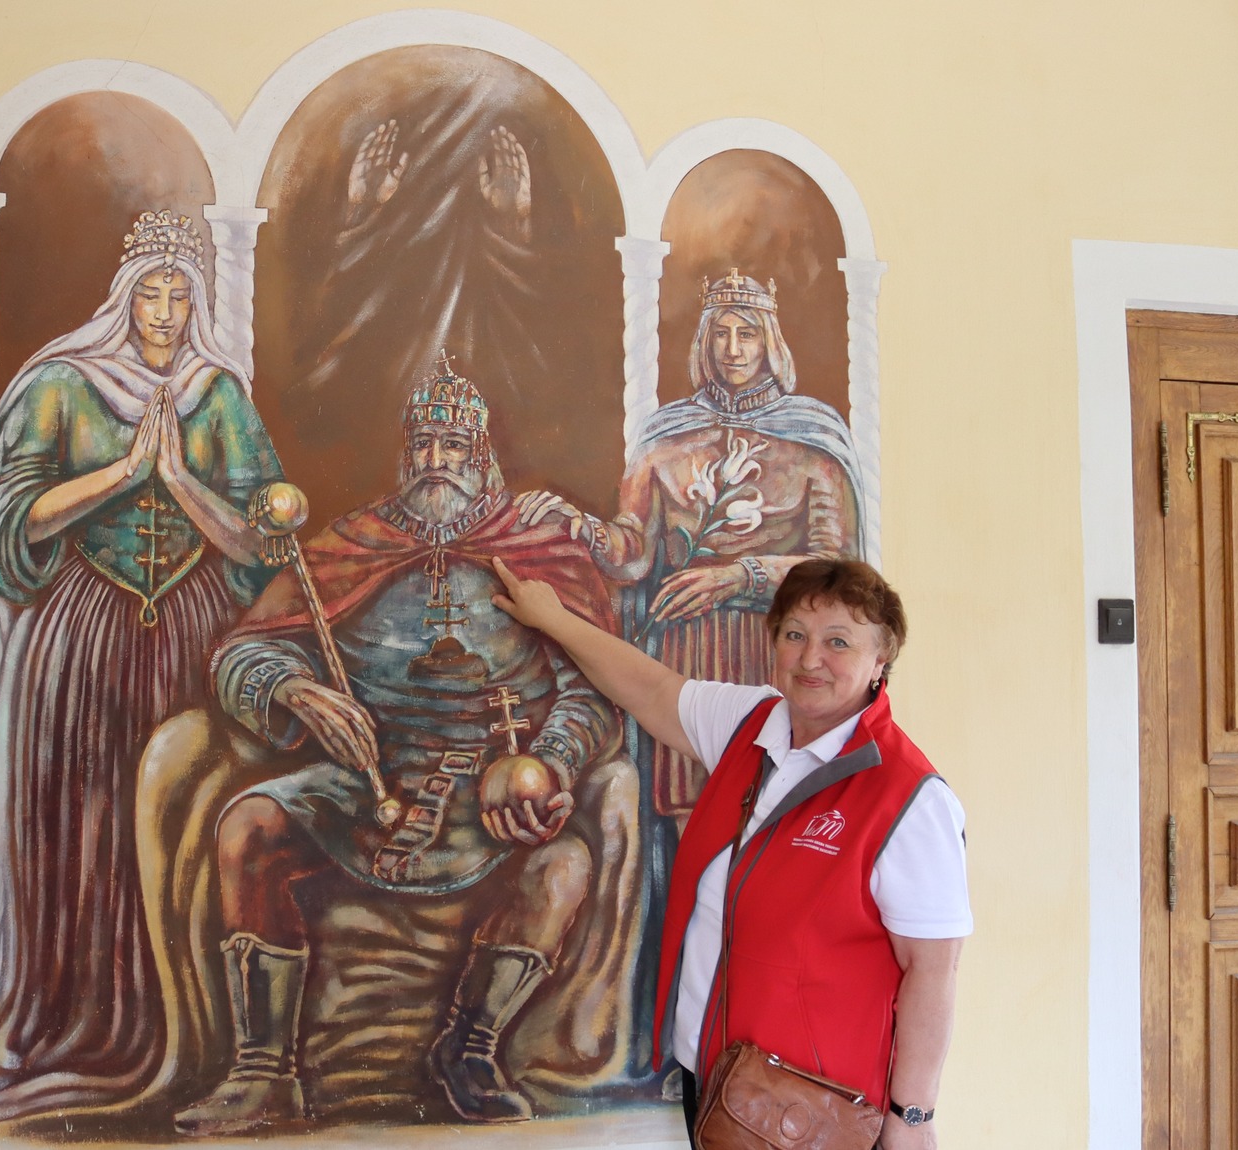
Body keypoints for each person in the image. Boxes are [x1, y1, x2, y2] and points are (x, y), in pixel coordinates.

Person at [174, 358, 619, 1136]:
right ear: (407, 454)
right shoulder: (355, 542)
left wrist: (548, 764)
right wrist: (295, 690)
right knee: (250, 826)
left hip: (492, 790)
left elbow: (592, 689)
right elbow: (243, 653)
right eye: (424, 447)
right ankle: (262, 1073)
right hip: (365, 777)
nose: (437, 462)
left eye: (455, 447)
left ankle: (470, 1051)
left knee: (563, 870)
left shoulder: (535, 547)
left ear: (481, 455)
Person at [0, 209, 286, 1138]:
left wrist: (183, 484)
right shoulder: (61, 385)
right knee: (85, 820)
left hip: (193, 640)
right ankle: (76, 1025)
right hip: (84, 637)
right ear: (123, 299)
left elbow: (262, 545)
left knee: (180, 822)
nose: (164, 313)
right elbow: (15, 518)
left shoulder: (218, 396)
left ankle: (185, 1039)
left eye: (180, 296)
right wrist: (127, 473)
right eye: (150, 294)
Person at [492, 556, 969, 1150]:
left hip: (808, 1110)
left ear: (881, 660)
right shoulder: (753, 725)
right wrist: (553, 619)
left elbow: (933, 970)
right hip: (716, 1082)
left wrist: (912, 1117)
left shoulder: (910, 799)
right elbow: (650, 688)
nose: (810, 658)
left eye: (838, 642)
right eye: (794, 635)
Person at [519, 269, 864, 817]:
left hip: (772, 647)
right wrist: (582, 526)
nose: (733, 349)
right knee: (689, 812)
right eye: (720, 333)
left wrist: (738, 576)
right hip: (684, 652)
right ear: (704, 341)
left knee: (776, 801)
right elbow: (634, 552)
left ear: (770, 342)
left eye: (746, 334)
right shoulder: (667, 438)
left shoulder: (812, 440)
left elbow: (837, 571)